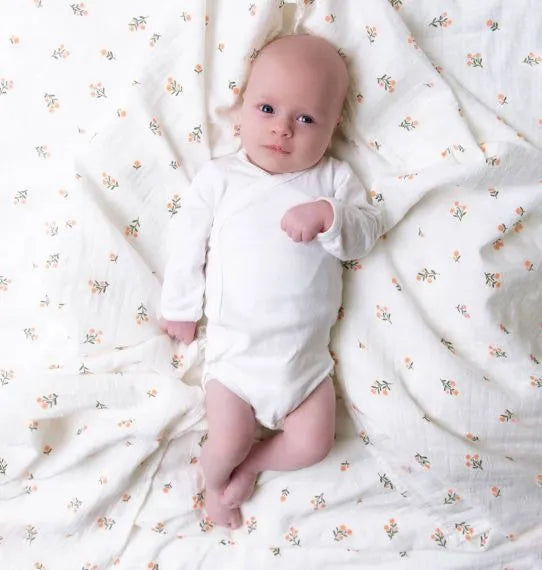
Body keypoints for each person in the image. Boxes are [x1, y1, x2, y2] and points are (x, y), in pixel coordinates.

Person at [160, 34, 382, 529]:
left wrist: (329, 216)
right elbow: (187, 244)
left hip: (304, 365)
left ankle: (255, 466)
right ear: (240, 109)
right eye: (267, 109)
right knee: (228, 440)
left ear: (334, 125)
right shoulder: (221, 178)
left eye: (306, 119)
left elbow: (366, 231)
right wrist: (179, 308)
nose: (283, 129)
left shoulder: (333, 181)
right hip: (236, 358)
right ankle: (215, 484)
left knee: (314, 443)